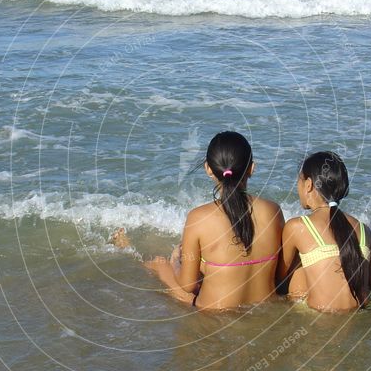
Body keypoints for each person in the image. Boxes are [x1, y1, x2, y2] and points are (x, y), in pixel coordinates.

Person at [120, 131, 284, 310]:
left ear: (208, 169)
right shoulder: (273, 210)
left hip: (213, 312)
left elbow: (188, 285)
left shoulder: (198, 218)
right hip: (263, 306)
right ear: (252, 168)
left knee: (160, 263)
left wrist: (176, 261)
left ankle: (125, 248)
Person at [278, 151, 371, 312]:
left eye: (299, 181)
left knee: (298, 265)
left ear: (308, 184)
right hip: (362, 313)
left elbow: (280, 279)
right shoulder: (364, 229)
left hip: (322, 316)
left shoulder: (297, 226)